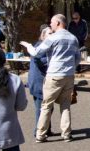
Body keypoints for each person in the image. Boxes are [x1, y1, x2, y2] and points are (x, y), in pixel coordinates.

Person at [21, 14, 80, 143]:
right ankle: (66, 134)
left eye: (52, 22)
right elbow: (78, 58)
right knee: (65, 105)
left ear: (58, 23)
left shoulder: (52, 38)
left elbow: (37, 52)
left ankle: (40, 134)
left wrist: (28, 46)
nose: (51, 25)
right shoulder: (73, 38)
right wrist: (70, 68)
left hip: (54, 75)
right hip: (69, 76)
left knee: (46, 105)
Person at [27, 25, 51, 133]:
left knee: (48, 107)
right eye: (49, 34)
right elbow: (41, 62)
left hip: (43, 80)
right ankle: (38, 130)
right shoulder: (39, 47)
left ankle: (47, 128)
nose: (52, 36)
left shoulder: (47, 47)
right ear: (43, 35)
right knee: (41, 107)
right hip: (38, 81)